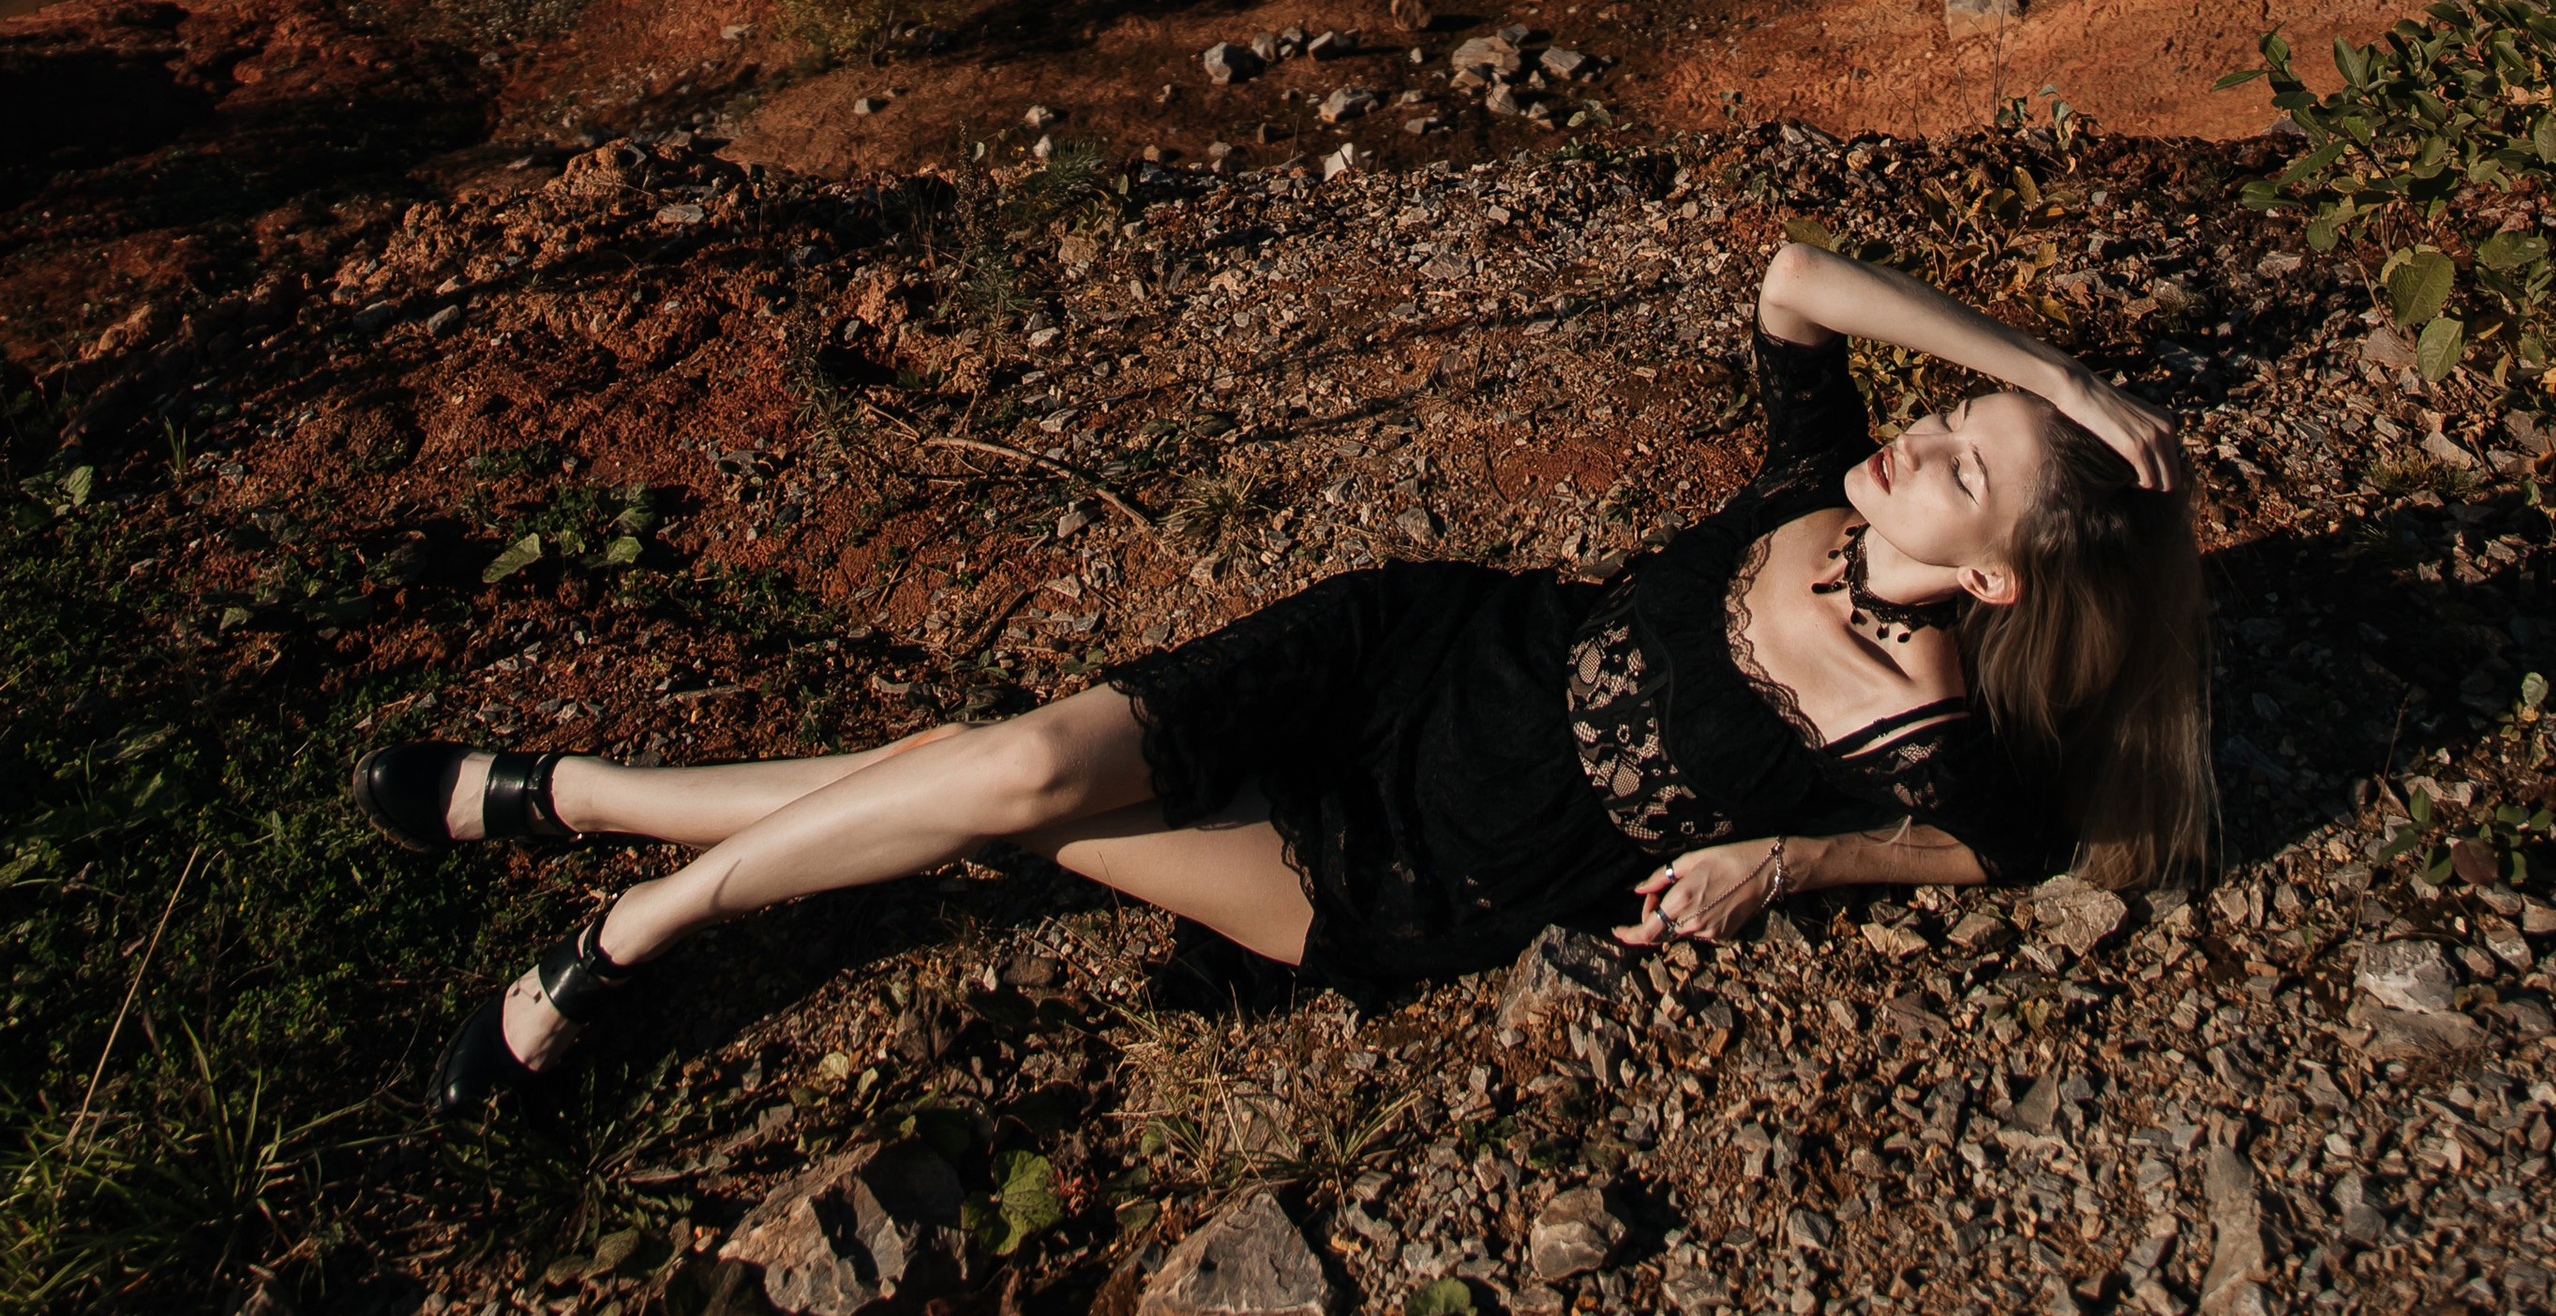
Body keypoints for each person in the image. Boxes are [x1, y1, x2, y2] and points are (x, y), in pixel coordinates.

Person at [351, 238, 2208, 1115]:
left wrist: (1788, 864)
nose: (1919, 442)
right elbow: (1796, 281)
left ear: (1989, 573)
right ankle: (632, 928)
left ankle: (574, 800)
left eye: (1966, 465)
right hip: (1404, 648)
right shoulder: (1815, 489)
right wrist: (2047, 375)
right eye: (1953, 415)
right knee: (1006, 777)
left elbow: (2020, 850)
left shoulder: (1918, 722)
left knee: (1006, 789)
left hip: (1407, 875)